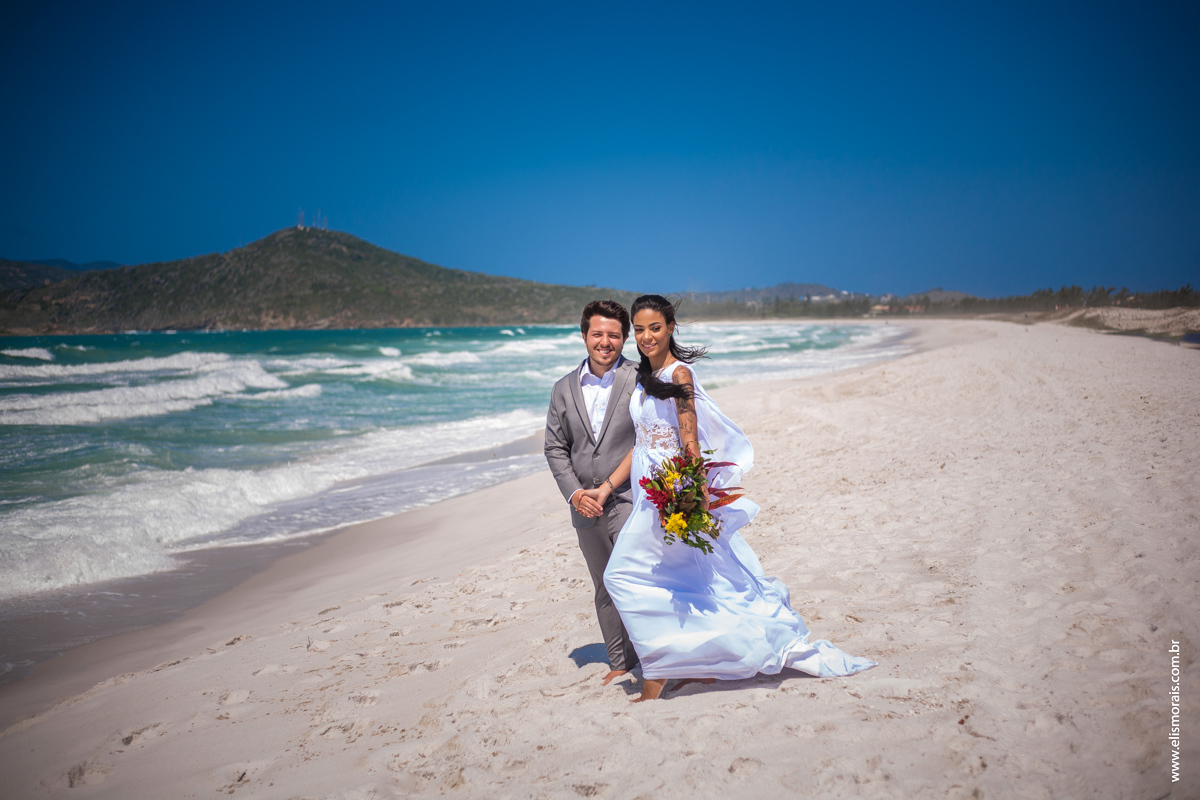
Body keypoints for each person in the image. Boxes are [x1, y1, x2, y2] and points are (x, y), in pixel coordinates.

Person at [582, 294, 876, 702]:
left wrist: (690, 490)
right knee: (678, 582)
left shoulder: (679, 375)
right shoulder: (644, 380)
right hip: (648, 493)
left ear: (670, 329)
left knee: (624, 577)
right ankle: (684, 663)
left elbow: (688, 436)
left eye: (655, 327)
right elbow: (642, 443)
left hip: (670, 492)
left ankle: (659, 672)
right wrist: (607, 486)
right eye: (640, 329)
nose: (647, 336)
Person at [544, 299, 640, 685]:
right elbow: (555, 447)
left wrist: (607, 487)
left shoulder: (638, 377)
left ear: (624, 339)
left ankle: (653, 656)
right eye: (597, 334)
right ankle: (619, 661)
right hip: (584, 507)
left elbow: (649, 436)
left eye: (614, 335)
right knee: (604, 585)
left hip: (631, 497)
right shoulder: (563, 389)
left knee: (635, 578)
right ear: (584, 336)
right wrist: (574, 494)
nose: (605, 342)